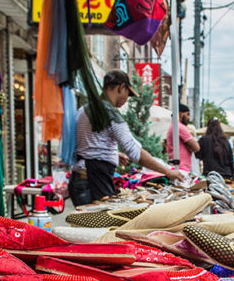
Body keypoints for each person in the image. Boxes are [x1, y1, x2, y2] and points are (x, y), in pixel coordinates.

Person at [70, 70, 183, 205]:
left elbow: (87, 144)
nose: (126, 99)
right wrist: (167, 172)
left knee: (84, 223)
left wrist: (113, 153)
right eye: (127, 94)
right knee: (100, 223)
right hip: (95, 181)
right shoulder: (109, 114)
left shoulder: (84, 109)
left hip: (79, 179)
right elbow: (134, 151)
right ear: (121, 88)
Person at [165, 103, 201, 173]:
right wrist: (190, 146)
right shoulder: (180, 127)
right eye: (187, 114)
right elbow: (196, 147)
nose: (188, 118)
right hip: (182, 169)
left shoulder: (173, 126)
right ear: (180, 114)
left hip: (177, 167)